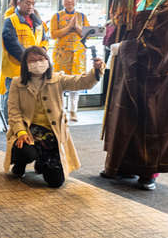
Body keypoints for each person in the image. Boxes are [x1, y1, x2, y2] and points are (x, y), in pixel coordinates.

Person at [100, 0, 168, 191]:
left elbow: (162, 46)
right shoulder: (136, 4)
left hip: (155, 76)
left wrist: (125, 48)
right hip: (128, 71)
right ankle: (122, 166)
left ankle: (148, 173)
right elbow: (123, 31)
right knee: (124, 118)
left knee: (150, 122)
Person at [6, 46, 104, 187]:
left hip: (53, 133)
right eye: (32, 60)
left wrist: (95, 70)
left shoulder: (58, 79)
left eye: (41, 59)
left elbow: (81, 82)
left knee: (55, 182)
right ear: (25, 64)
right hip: (28, 130)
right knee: (25, 152)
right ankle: (20, 163)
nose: (37, 63)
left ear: (47, 60)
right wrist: (20, 132)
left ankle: (42, 162)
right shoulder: (17, 82)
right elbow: (13, 111)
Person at [49, 0, 91, 122]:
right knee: (60, 83)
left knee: (76, 82)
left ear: (76, 0)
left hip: (78, 55)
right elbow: (53, 34)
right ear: (62, 0)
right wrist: (68, 28)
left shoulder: (82, 16)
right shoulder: (56, 16)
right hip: (61, 55)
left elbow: (88, 35)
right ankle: (60, 110)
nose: (69, 0)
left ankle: (73, 111)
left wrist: (77, 27)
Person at [0, 0, 47, 99]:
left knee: (29, 103)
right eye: (27, 3)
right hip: (15, 72)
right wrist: (29, 59)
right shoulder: (11, 20)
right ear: (18, 3)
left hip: (34, 71)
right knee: (11, 102)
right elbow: (12, 44)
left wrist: (42, 53)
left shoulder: (38, 22)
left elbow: (44, 40)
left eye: (33, 4)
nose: (30, 6)